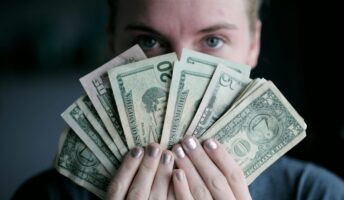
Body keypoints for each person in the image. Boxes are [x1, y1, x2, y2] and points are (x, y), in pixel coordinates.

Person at [12, 0, 344, 199]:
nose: (179, 69)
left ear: (254, 44)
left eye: (213, 40)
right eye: (148, 40)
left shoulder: (319, 193)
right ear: (111, 43)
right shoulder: (45, 197)